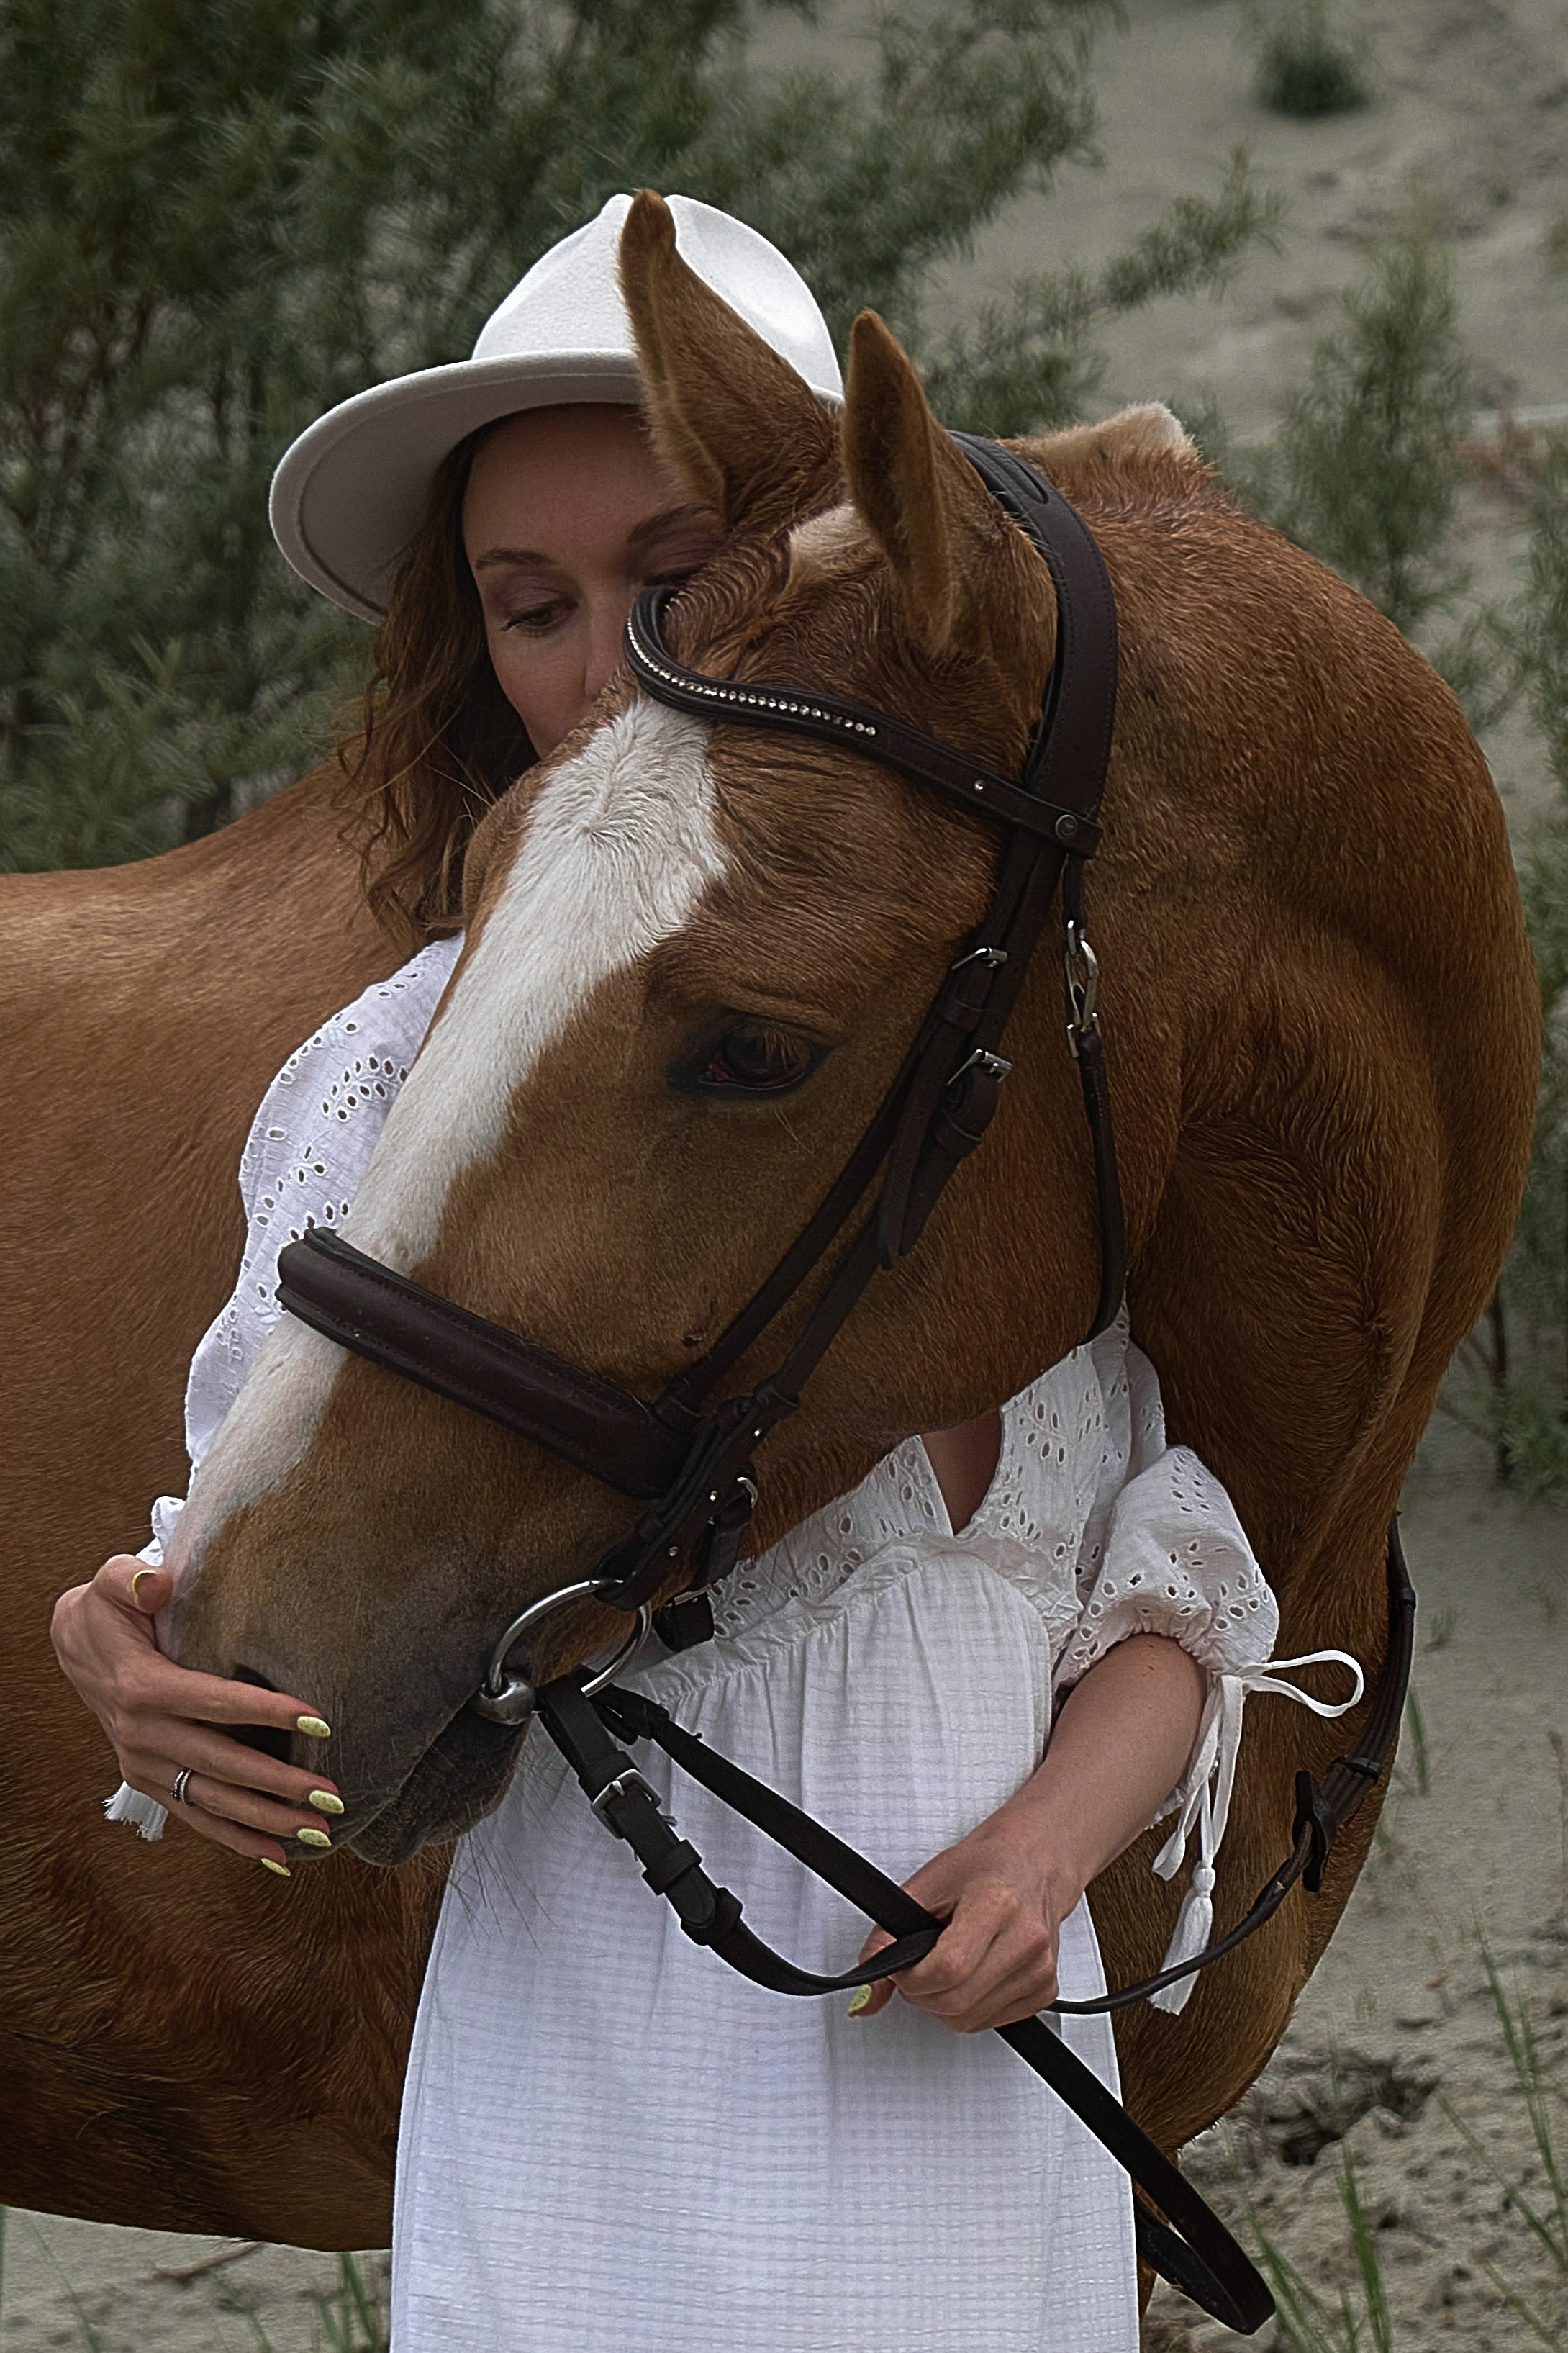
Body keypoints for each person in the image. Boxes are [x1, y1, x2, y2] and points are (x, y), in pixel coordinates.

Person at [51, 194, 1360, 2353]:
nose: (602, 662)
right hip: (605, 2107)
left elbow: (1169, 1574)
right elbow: (260, 1578)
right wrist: (144, 1663)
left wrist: (1044, 1851)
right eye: (527, 605)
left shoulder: (998, 1083)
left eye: (673, 584)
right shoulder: (393, 1074)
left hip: (963, 2107)